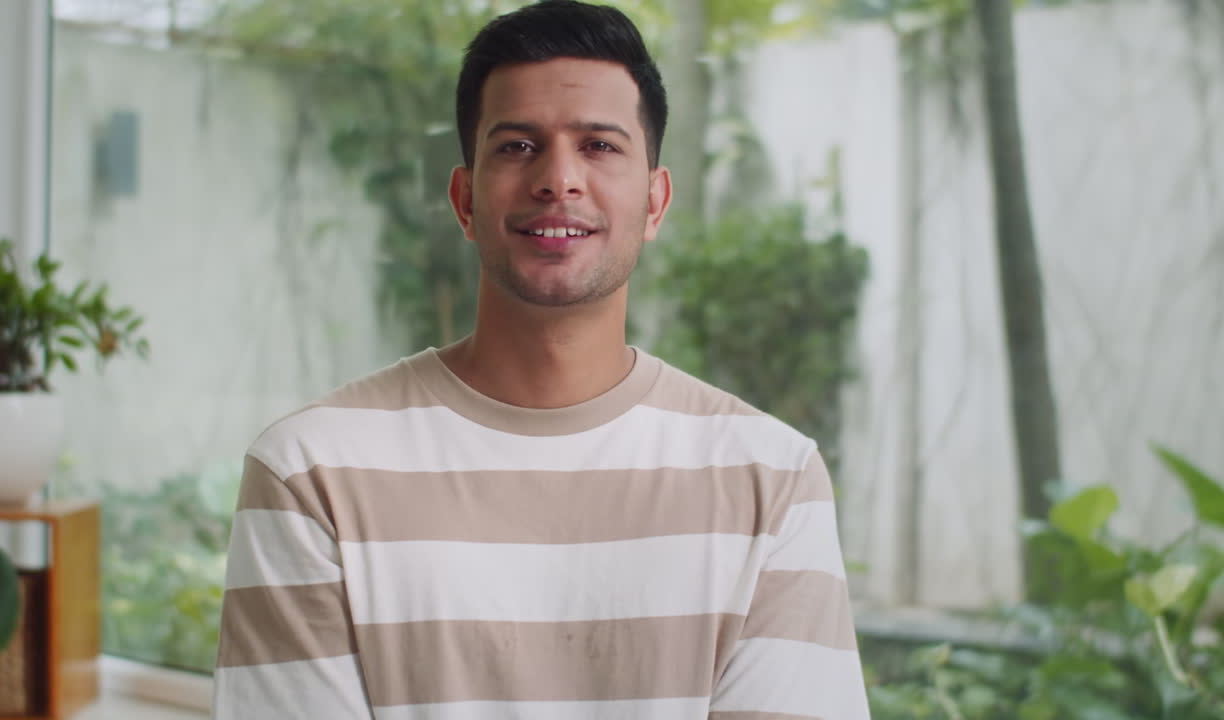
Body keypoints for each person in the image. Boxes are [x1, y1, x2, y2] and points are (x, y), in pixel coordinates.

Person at [211, 1, 870, 718]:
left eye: (600, 145)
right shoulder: (312, 471)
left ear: (655, 203)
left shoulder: (772, 479)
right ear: (464, 200)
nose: (559, 179)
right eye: (518, 146)